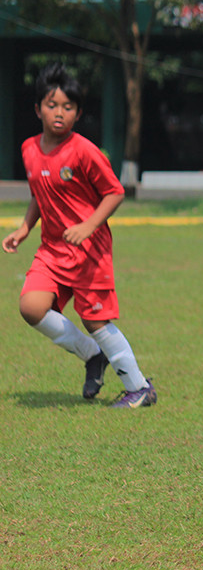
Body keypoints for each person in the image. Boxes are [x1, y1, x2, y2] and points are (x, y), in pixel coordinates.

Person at [2, 63, 157, 408]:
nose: (59, 113)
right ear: (38, 108)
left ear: (78, 113)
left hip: (89, 248)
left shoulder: (84, 150)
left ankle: (139, 388)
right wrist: (25, 228)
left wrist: (89, 226)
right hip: (52, 248)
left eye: (68, 107)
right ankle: (92, 356)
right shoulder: (29, 149)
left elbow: (115, 192)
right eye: (52, 104)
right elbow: (39, 193)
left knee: (94, 319)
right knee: (31, 307)